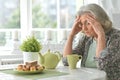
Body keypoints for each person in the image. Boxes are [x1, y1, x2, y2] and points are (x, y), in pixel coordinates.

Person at [62, 4, 120, 80]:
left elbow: (103, 65)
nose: (84, 28)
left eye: (88, 23)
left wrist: (100, 35)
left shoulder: (116, 37)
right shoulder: (87, 39)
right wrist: (71, 35)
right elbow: (67, 61)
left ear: (101, 22)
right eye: (82, 24)